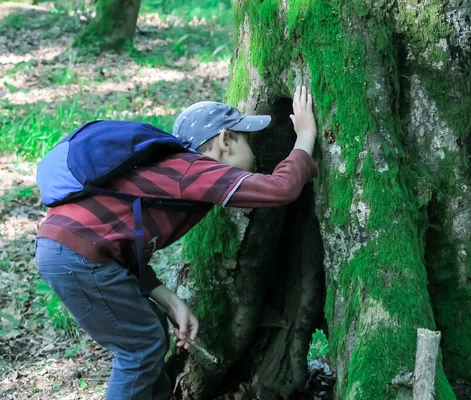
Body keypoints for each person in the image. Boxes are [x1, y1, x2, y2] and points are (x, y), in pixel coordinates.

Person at [34, 86, 318, 400]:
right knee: (140, 348)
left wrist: (170, 301)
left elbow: (124, 245)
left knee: (150, 330)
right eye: (246, 139)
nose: (254, 149)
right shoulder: (192, 171)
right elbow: (281, 189)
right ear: (225, 140)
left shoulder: (174, 174)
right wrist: (304, 137)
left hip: (67, 249)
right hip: (75, 254)